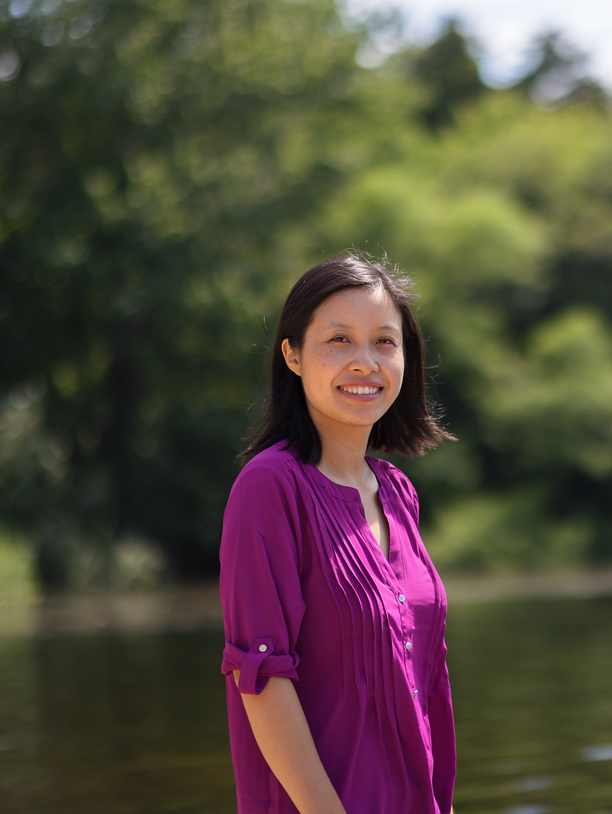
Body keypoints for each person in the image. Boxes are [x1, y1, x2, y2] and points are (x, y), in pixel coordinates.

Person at [219, 254, 455, 814]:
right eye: (339, 341)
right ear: (293, 356)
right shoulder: (269, 488)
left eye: (384, 342)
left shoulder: (398, 493)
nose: (365, 362)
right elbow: (261, 677)